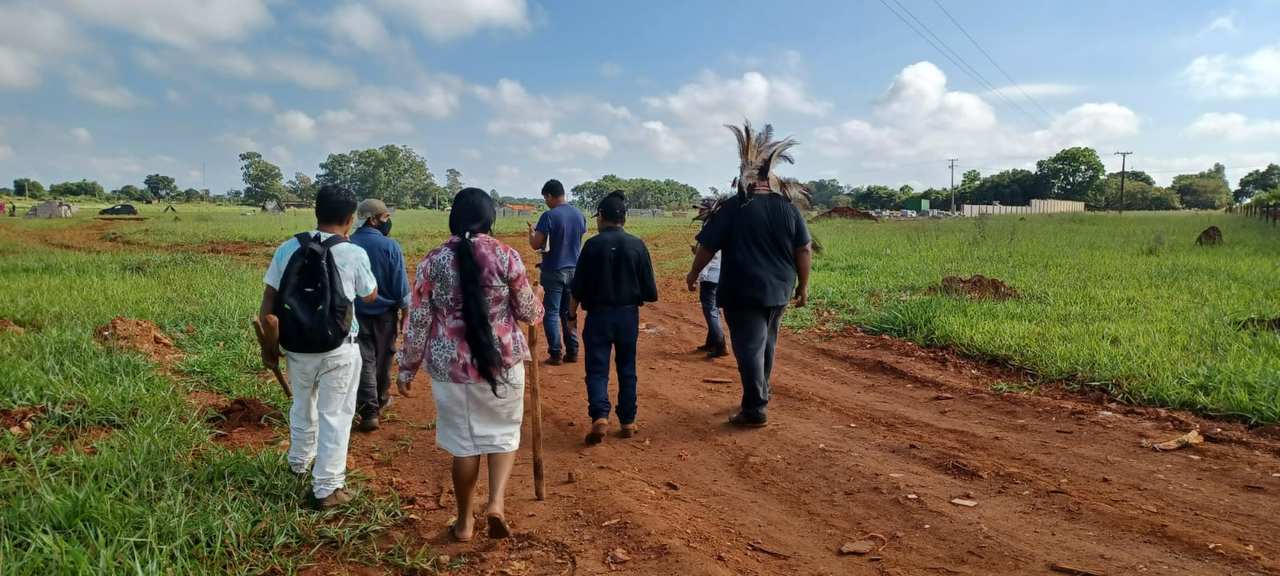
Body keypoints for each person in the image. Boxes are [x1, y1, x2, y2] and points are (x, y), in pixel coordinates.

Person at [397, 187, 543, 542]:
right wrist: (538, 299)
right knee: (503, 435)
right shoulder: (507, 256)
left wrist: (406, 367)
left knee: (465, 445)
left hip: (452, 368)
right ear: (490, 219)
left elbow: (418, 320)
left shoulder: (433, 261)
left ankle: (464, 523)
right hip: (503, 362)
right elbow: (529, 313)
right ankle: (496, 504)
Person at [259, 185, 377, 509]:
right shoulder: (353, 253)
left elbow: (269, 298)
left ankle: (299, 463)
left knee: (302, 404)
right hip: (339, 347)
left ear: (316, 211)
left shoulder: (288, 248)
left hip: (296, 345)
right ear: (351, 219)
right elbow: (369, 294)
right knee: (335, 414)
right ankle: (327, 487)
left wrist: (269, 343)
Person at [687, 178, 812, 428]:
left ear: (746, 179)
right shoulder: (788, 207)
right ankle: (761, 391)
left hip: (742, 290)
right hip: (779, 289)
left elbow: (707, 247)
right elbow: (805, 249)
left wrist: (693, 274)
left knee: (749, 349)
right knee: (767, 343)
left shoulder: (734, 207)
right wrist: (803, 285)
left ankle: (755, 408)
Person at [569, 192, 658, 444]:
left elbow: (577, 287)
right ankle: (628, 420)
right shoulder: (637, 245)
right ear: (624, 218)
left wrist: (571, 314)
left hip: (598, 316)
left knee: (597, 369)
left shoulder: (591, 246)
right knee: (627, 368)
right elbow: (651, 292)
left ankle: (600, 416)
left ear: (601, 218)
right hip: (628, 316)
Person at [349, 199, 410, 432]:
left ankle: (367, 409)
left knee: (364, 359)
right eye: (385, 217)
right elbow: (400, 285)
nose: (388, 222)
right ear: (372, 219)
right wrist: (405, 313)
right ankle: (379, 401)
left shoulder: (348, 243)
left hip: (355, 313)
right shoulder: (390, 246)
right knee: (384, 357)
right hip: (385, 314)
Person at [527, 179, 586, 366]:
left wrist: (531, 233)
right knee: (568, 312)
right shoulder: (579, 214)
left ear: (550, 196)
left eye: (545, 198)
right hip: (575, 270)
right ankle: (573, 350)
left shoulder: (549, 216)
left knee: (551, 312)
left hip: (553, 270)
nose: (546, 202)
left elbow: (537, 244)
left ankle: (555, 353)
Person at [694, 199, 727, 358]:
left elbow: (709, 255)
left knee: (710, 310)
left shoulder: (711, 227)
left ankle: (720, 345)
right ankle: (712, 342)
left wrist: (697, 275)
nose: (699, 213)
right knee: (713, 310)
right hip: (720, 273)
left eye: (701, 210)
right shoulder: (719, 225)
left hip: (711, 274)